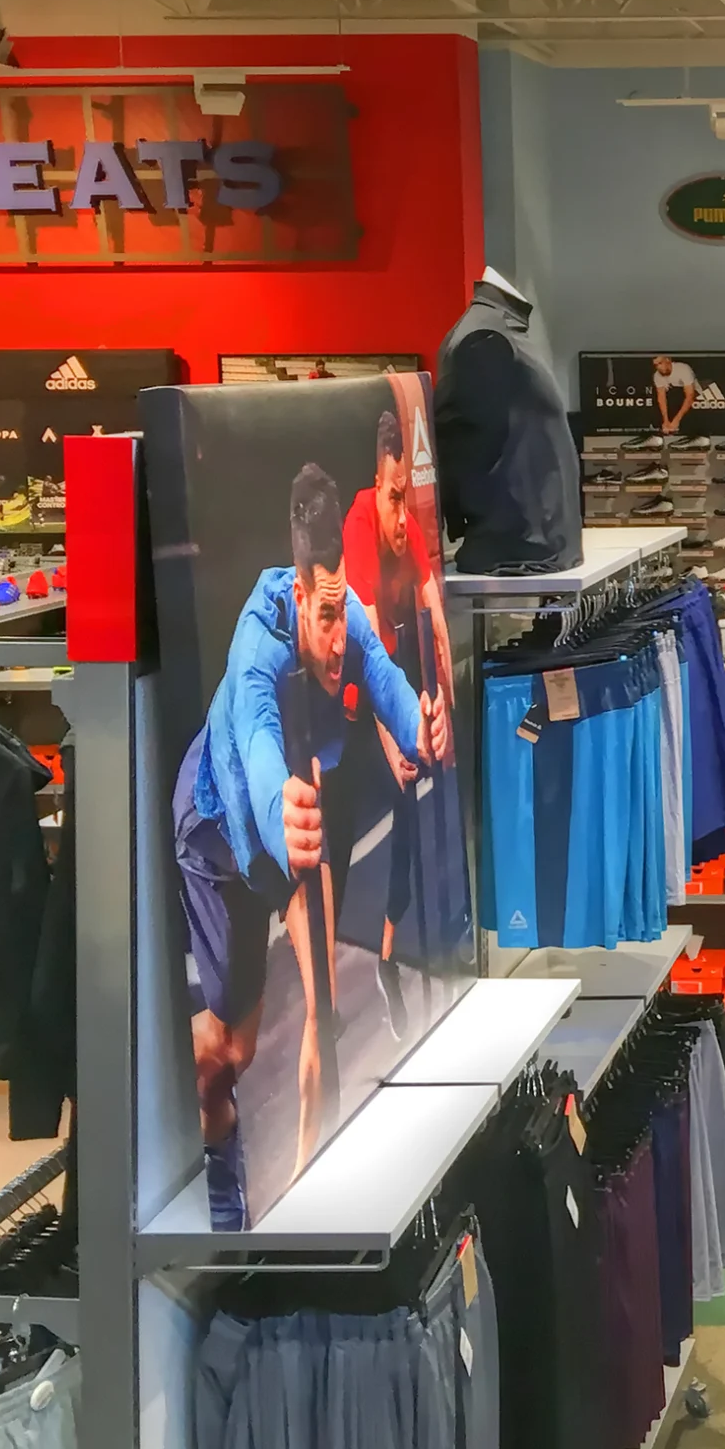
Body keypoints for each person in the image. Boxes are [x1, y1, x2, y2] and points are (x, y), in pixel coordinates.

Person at [171, 464, 441, 1228]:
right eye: (324, 616)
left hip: (295, 836)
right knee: (229, 1053)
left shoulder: (343, 610)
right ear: (297, 595)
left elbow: (386, 678)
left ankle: (303, 1195)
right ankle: (194, 1131)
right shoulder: (256, 651)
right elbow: (259, 747)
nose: (336, 637)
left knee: (324, 1010)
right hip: (224, 838)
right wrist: (278, 807)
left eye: (341, 611)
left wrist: (422, 727)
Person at [341, 406, 458, 1028]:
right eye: (393, 496)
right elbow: (366, 654)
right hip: (348, 689)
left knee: (408, 822)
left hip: (388, 675)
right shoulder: (361, 525)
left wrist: (445, 709)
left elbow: (437, 621)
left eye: (406, 497)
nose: (400, 513)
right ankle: (326, 989)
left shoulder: (404, 524)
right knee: (338, 833)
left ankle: (386, 958)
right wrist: (393, 743)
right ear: (376, 483)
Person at [649, 354, 699, 432]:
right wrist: (666, 421)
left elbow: (690, 395)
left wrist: (676, 420)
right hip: (675, 396)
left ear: (668, 360)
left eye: (660, 363)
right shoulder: (657, 375)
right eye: (656, 365)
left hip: (695, 394)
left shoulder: (683, 369)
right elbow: (661, 398)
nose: (658, 367)